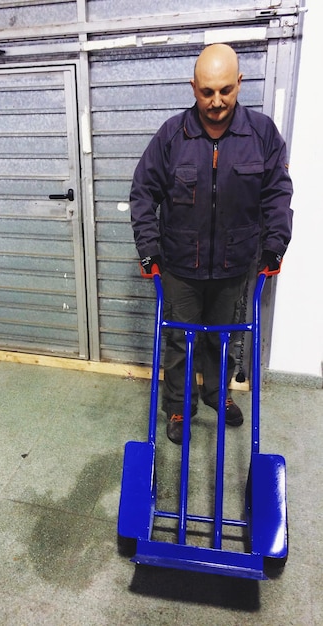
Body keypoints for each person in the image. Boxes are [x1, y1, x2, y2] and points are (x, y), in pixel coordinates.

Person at [130, 43, 293, 444]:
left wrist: (275, 246)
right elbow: (142, 193)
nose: (217, 101)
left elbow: (276, 194)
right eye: (207, 92)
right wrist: (148, 248)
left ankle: (217, 395)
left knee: (222, 339)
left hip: (235, 264)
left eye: (225, 90)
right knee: (180, 341)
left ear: (239, 82)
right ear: (193, 87)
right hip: (180, 265)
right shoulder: (172, 135)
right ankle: (179, 408)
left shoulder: (261, 134)